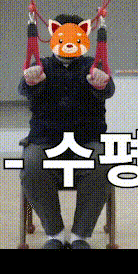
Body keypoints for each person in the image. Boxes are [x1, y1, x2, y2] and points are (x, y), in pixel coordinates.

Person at [18, 13, 115, 249]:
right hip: (45, 139)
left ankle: (80, 235)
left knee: (102, 164)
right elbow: (24, 88)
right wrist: (30, 82)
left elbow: (108, 89)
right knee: (31, 165)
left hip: (87, 139)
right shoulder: (40, 65)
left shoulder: (94, 65)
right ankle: (55, 233)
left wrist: (102, 84)